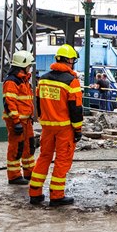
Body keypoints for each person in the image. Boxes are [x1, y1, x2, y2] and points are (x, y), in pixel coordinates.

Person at [28, 44, 83, 206]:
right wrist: (78, 129)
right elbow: (76, 109)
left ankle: (35, 193)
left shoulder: (43, 79)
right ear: (69, 60)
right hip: (64, 127)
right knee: (62, 160)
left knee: (44, 158)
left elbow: (38, 103)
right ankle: (57, 195)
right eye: (72, 60)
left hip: (47, 127)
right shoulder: (71, 82)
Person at [2, 50, 36, 185]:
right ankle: (14, 176)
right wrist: (16, 122)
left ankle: (29, 172)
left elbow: (25, 101)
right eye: (29, 65)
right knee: (16, 148)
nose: (30, 67)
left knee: (29, 146)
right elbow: (10, 103)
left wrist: (29, 116)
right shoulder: (12, 81)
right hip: (17, 121)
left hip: (25, 120)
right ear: (23, 65)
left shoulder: (23, 79)